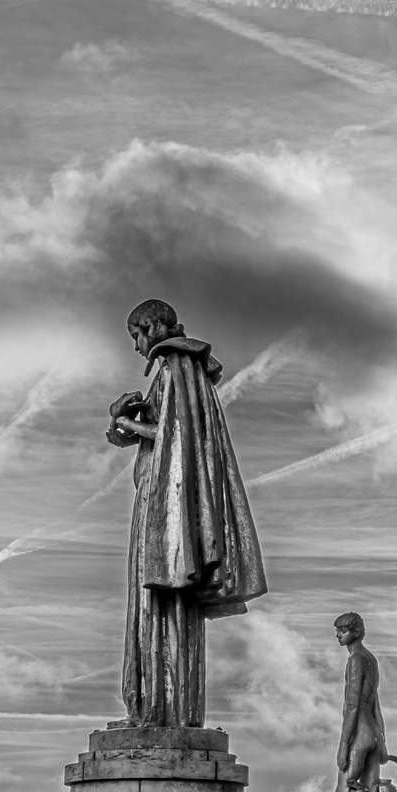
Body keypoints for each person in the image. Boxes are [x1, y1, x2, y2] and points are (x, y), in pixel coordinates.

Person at [105, 299, 267, 728]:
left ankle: (157, 711)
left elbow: (173, 433)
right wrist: (121, 424)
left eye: (138, 335)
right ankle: (158, 710)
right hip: (164, 501)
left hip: (166, 505)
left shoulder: (175, 366)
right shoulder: (181, 371)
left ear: (155, 326)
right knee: (158, 604)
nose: (137, 346)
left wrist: (128, 424)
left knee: (158, 603)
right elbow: (169, 432)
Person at [332, 612, 389, 792]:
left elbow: (353, 705)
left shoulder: (355, 659)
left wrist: (344, 745)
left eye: (342, 631)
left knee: (343, 791)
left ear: (355, 633)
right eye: (337, 631)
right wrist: (383, 740)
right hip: (374, 733)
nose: (337, 635)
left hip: (361, 734)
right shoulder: (371, 658)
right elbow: (376, 703)